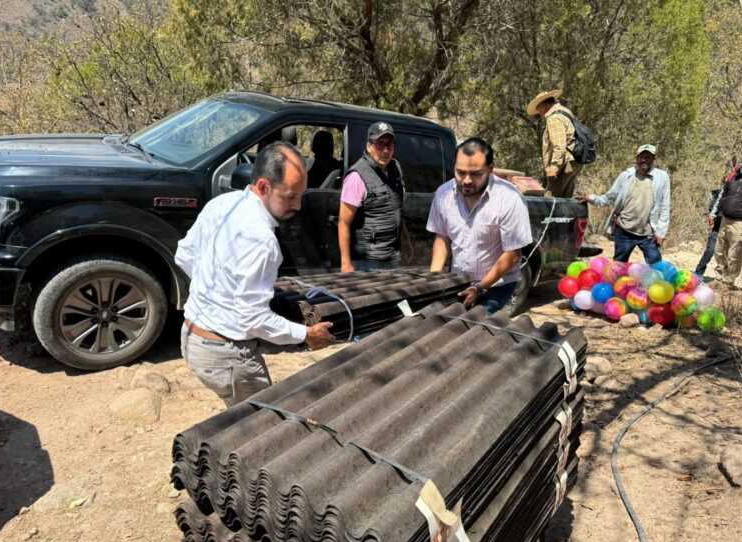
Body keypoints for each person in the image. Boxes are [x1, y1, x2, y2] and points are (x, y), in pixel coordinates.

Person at [175, 141, 334, 407]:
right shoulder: (261, 240)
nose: (298, 205)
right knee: (261, 424)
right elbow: (253, 319)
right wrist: (306, 334)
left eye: (301, 195)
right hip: (226, 355)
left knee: (240, 416)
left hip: (191, 337)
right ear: (263, 187)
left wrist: (216, 296)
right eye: (290, 196)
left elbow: (184, 255)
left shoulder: (221, 204)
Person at [427, 137, 533, 314]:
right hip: (459, 280)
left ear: (490, 169)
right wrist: (434, 279)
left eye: (476, 174)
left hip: (497, 284)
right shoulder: (443, 194)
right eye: (461, 172)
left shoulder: (509, 198)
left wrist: (480, 288)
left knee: (478, 323)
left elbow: (513, 253)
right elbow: (442, 238)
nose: (467, 180)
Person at [338, 121, 413, 272]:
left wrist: (406, 242)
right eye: (379, 144)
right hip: (366, 262)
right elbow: (343, 222)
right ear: (369, 146)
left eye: (389, 145)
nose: (385, 150)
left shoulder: (395, 169)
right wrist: (346, 264)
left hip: (392, 258)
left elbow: (397, 210)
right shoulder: (357, 176)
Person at [575, 144, 670, 264]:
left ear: (653, 159)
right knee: (619, 266)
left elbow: (665, 207)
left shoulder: (662, 178)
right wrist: (590, 198)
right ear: (636, 158)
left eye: (648, 157)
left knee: (656, 263)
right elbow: (609, 197)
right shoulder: (626, 176)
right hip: (624, 231)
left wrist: (660, 232)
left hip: (648, 234)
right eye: (641, 157)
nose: (644, 160)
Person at [709, 143, 742, 289]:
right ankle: (719, 278)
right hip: (725, 218)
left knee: (735, 254)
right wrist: (713, 212)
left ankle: (728, 282)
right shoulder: (737, 172)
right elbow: (723, 193)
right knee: (719, 250)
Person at [527, 89, 583, 198]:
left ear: (544, 105)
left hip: (563, 164)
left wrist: (554, 168)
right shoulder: (566, 112)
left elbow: (559, 146)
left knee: (550, 200)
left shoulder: (554, 118)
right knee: (565, 199)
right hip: (574, 161)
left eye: (538, 109)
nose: (539, 113)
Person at [694, 188, 722, 276]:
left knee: (726, 255)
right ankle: (698, 273)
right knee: (710, 251)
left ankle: (722, 278)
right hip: (717, 228)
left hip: (730, 228)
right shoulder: (720, 194)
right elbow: (712, 209)